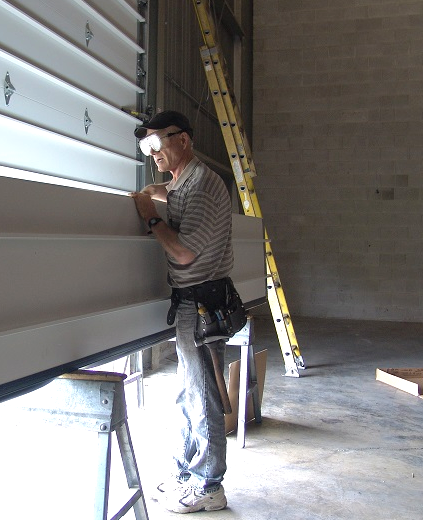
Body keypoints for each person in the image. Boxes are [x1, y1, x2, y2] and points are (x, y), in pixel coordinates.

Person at [130, 110, 234, 513]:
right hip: (193, 303)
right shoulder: (184, 181)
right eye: (146, 146)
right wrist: (154, 192)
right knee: (187, 394)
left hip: (204, 303)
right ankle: (184, 472)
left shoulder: (204, 185)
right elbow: (173, 190)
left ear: (183, 141)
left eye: (157, 143)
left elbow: (185, 252)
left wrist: (149, 216)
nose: (152, 152)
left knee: (203, 395)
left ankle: (210, 485)